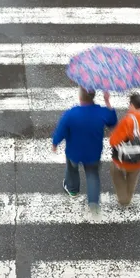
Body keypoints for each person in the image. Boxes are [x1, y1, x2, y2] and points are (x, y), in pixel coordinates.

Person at [52, 86, 118, 214]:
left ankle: (72, 189)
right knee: (92, 175)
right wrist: (107, 101)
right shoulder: (102, 113)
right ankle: (93, 203)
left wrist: (55, 143)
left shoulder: (71, 113)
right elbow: (113, 122)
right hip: (93, 153)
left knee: (71, 169)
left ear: (80, 97)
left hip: (73, 152)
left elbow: (61, 131)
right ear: (93, 97)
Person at [109, 93, 140, 206]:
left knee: (115, 170)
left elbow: (113, 141)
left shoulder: (128, 120)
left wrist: (113, 134)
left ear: (132, 104)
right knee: (133, 176)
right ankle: (129, 196)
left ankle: (124, 199)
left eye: (129, 104)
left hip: (126, 158)